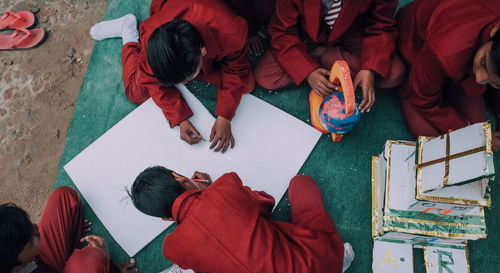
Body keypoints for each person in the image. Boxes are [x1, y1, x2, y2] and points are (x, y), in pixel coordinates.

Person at [128, 166, 354, 273]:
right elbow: (266, 203)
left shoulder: (174, 248)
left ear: (166, 218)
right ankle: (339, 258)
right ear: (183, 179)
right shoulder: (225, 187)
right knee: (300, 182)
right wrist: (211, 191)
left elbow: (203, 268)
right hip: (318, 267)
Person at [90, 0, 255, 153]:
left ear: (203, 52)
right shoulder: (154, 39)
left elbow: (236, 68)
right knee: (135, 92)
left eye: (186, 80)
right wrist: (179, 116)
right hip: (173, 31)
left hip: (213, 24)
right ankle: (128, 33)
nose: (184, 84)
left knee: (246, 84)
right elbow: (150, 79)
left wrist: (225, 115)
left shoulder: (230, 31)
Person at [255, 0, 405, 113]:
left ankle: (325, 56)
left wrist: (369, 68)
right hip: (305, 35)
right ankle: (330, 63)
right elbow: (282, 32)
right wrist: (308, 72)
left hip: (352, 32)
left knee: (393, 74)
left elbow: (381, 25)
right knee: (266, 76)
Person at [396, 0, 500, 151]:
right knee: (434, 139)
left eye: (495, 82)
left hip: (455, 63)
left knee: (477, 126)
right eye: (484, 62)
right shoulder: (447, 49)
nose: (479, 79)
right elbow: (422, 98)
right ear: (497, 28)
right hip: (416, 49)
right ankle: (405, 84)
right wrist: (468, 132)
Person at [0, 186, 138, 273]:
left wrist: (68, 236)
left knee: (64, 196)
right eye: (30, 239)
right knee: (94, 261)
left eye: (30, 225)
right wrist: (111, 269)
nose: (37, 228)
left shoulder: (14, 264)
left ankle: (70, 245)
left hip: (38, 263)